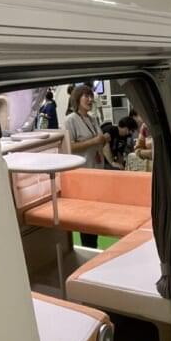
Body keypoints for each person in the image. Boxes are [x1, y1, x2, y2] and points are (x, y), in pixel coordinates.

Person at [64, 86, 110, 248]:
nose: (90, 100)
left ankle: (93, 246)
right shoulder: (70, 120)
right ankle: (88, 247)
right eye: (86, 96)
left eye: (91, 96)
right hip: (83, 175)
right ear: (77, 99)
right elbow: (68, 147)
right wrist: (94, 141)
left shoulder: (92, 119)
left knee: (96, 214)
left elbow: (98, 142)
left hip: (97, 171)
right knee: (86, 216)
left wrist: (104, 139)